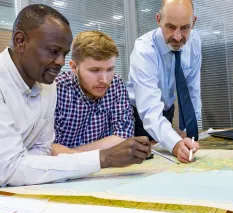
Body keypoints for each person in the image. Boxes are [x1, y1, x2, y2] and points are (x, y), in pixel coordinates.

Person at [0, 4, 151, 187]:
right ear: (20, 41)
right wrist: (103, 158)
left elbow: (42, 150)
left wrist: (36, 163)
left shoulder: (46, 84)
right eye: (54, 51)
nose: (60, 62)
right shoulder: (48, 84)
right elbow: (9, 168)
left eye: (64, 54)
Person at [126, 0, 200, 163]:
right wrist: (174, 143)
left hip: (166, 111)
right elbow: (149, 109)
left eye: (185, 27)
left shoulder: (194, 41)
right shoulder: (144, 50)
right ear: (158, 19)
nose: (178, 36)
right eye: (171, 27)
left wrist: (189, 130)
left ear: (193, 22)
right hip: (138, 115)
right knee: (144, 166)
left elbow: (192, 91)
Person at [52, 30, 134, 155]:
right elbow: (49, 148)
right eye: (95, 70)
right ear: (74, 67)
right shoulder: (56, 90)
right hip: (63, 170)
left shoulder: (116, 84)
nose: (104, 80)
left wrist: (73, 153)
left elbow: (123, 135)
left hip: (102, 167)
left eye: (110, 69)